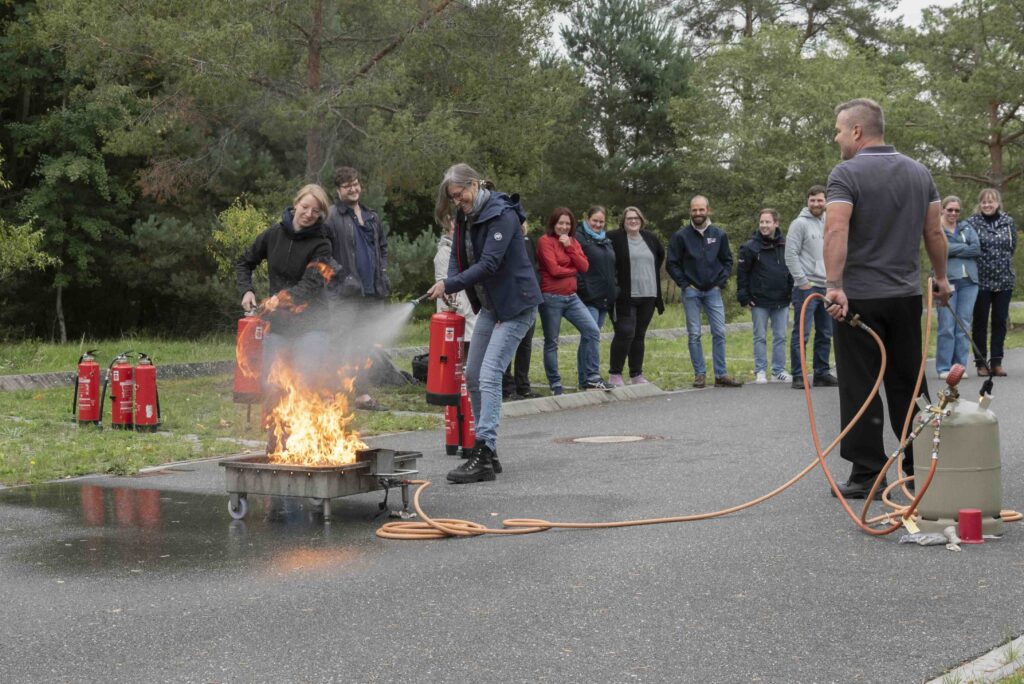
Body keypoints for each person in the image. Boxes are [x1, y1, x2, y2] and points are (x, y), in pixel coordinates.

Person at [823, 98, 951, 499]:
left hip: (858, 298)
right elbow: (934, 233)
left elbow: (836, 231)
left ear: (858, 131)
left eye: (840, 130)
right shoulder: (920, 172)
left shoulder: (845, 173)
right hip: (905, 297)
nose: (837, 137)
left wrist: (833, 285)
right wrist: (943, 278)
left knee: (861, 383)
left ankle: (867, 474)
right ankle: (921, 470)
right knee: (909, 383)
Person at [427, 163, 543, 483]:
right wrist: (449, 281)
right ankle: (487, 454)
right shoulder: (466, 216)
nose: (457, 201)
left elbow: (490, 263)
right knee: (474, 373)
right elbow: (457, 257)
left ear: (475, 185)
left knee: (491, 374)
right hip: (492, 306)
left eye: (460, 194)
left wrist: (449, 286)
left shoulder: (501, 214)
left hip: (516, 305)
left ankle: (483, 449)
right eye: (452, 198)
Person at [236, 184, 334, 445]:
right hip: (278, 327)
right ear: (295, 204)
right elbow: (245, 261)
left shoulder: (323, 244)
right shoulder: (273, 235)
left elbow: (311, 285)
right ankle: (277, 441)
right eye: (305, 207)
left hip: (313, 325)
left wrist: (280, 299)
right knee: (273, 385)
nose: (308, 214)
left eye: (316, 210)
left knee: (305, 382)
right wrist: (246, 290)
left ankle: (309, 441)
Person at [324, 166, 390, 410]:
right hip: (344, 296)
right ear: (338, 190)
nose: (353, 189)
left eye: (355, 183)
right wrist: (343, 277)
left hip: (372, 293)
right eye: (347, 186)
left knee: (366, 345)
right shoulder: (330, 217)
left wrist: (382, 272)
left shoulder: (371, 216)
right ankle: (331, 395)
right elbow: (323, 255)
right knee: (339, 345)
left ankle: (362, 395)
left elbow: (382, 247)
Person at [666, 195, 743, 388]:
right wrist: (684, 284)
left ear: (708, 210)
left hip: (713, 291)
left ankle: (721, 374)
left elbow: (727, 261)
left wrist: (720, 282)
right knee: (694, 334)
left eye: (701, 209)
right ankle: (699, 375)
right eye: (694, 210)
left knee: (719, 332)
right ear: (690, 211)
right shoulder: (680, 236)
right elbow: (672, 263)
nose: (698, 213)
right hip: (691, 291)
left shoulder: (719, 234)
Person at [536, 208, 613, 394]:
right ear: (553, 223)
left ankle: (592, 377)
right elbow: (554, 270)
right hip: (551, 297)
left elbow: (585, 266)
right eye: (560, 223)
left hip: (572, 297)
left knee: (592, 331)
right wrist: (573, 268)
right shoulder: (545, 241)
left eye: (567, 223)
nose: (564, 227)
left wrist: (570, 247)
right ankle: (555, 383)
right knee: (552, 342)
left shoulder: (573, 241)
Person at [785, 185, 838, 389]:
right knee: (802, 333)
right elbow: (790, 254)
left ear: (826, 202)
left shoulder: (830, 223)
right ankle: (798, 375)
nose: (816, 204)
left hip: (827, 286)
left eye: (820, 200)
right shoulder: (799, 224)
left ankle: (821, 372)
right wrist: (801, 280)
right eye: (812, 200)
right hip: (806, 287)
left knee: (825, 332)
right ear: (807, 201)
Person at [607, 206, 665, 386]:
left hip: (649, 294)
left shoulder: (650, 238)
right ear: (623, 222)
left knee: (639, 335)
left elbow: (660, 256)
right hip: (625, 296)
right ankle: (615, 373)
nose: (633, 221)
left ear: (641, 220)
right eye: (629, 218)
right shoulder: (614, 238)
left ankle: (636, 374)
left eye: (636, 218)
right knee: (625, 332)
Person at [737, 209, 793, 384]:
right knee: (760, 336)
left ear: (776, 223)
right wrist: (744, 297)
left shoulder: (786, 244)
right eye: (761, 222)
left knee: (780, 336)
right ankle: (760, 370)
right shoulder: (749, 247)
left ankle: (778, 371)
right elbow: (742, 274)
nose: (764, 225)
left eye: (767, 222)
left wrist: (792, 294)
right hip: (759, 300)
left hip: (782, 300)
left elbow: (791, 270)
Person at [966, 188, 1017, 377]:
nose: (987, 205)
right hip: (980, 281)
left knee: (999, 321)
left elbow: (1012, 248)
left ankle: (996, 362)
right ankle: (981, 363)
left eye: (991, 201)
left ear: (998, 203)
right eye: (984, 202)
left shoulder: (1008, 221)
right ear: (980, 204)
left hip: (1004, 280)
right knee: (979, 322)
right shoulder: (971, 223)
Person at [935, 195, 980, 378]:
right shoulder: (936, 229)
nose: (953, 213)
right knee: (946, 326)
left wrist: (953, 248)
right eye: (950, 209)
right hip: (946, 282)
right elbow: (939, 250)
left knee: (963, 326)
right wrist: (963, 247)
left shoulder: (967, 227)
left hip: (970, 283)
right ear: (942, 210)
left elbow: (976, 248)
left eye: (957, 210)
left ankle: (959, 367)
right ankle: (944, 368)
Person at [575, 206, 618, 389]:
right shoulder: (579, 238)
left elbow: (611, 267)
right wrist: (585, 289)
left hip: (605, 297)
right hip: (588, 297)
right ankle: (592, 376)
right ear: (587, 218)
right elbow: (576, 266)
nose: (598, 224)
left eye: (601, 222)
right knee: (591, 335)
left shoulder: (606, 240)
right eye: (595, 221)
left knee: (590, 337)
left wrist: (615, 288)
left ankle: (585, 379)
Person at [502, 220, 540, 400]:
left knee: (526, 344)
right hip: (510, 299)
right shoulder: (501, 242)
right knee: (508, 343)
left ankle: (523, 386)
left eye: (521, 221)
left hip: (529, 299)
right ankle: (506, 387)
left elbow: (534, 268)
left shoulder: (527, 241)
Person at [434, 216, 477, 358]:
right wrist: (457, 306)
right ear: (447, 231)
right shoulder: (444, 253)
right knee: (457, 348)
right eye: (454, 230)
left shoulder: (465, 251)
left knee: (471, 342)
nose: (458, 233)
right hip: (455, 309)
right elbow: (443, 283)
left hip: (469, 307)